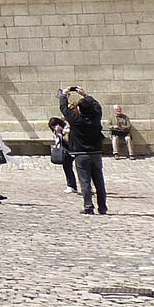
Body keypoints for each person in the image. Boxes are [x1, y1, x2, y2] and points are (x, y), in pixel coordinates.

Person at [61, 85, 108, 216]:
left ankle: (88, 206)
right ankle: (103, 207)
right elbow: (98, 107)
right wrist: (85, 95)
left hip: (81, 154)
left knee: (85, 181)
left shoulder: (76, 120)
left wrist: (64, 95)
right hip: (96, 153)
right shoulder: (96, 118)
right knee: (99, 182)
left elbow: (64, 109)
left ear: (80, 109)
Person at [47, 117, 77, 194]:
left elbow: (67, 140)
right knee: (67, 168)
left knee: (76, 168)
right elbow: (57, 141)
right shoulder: (56, 132)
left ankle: (77, 185)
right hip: (64, 152)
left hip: (71, 150)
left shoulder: (67, 129)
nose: (54, 128)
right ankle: (71, 185)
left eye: (54, 126)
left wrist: (61, 133)